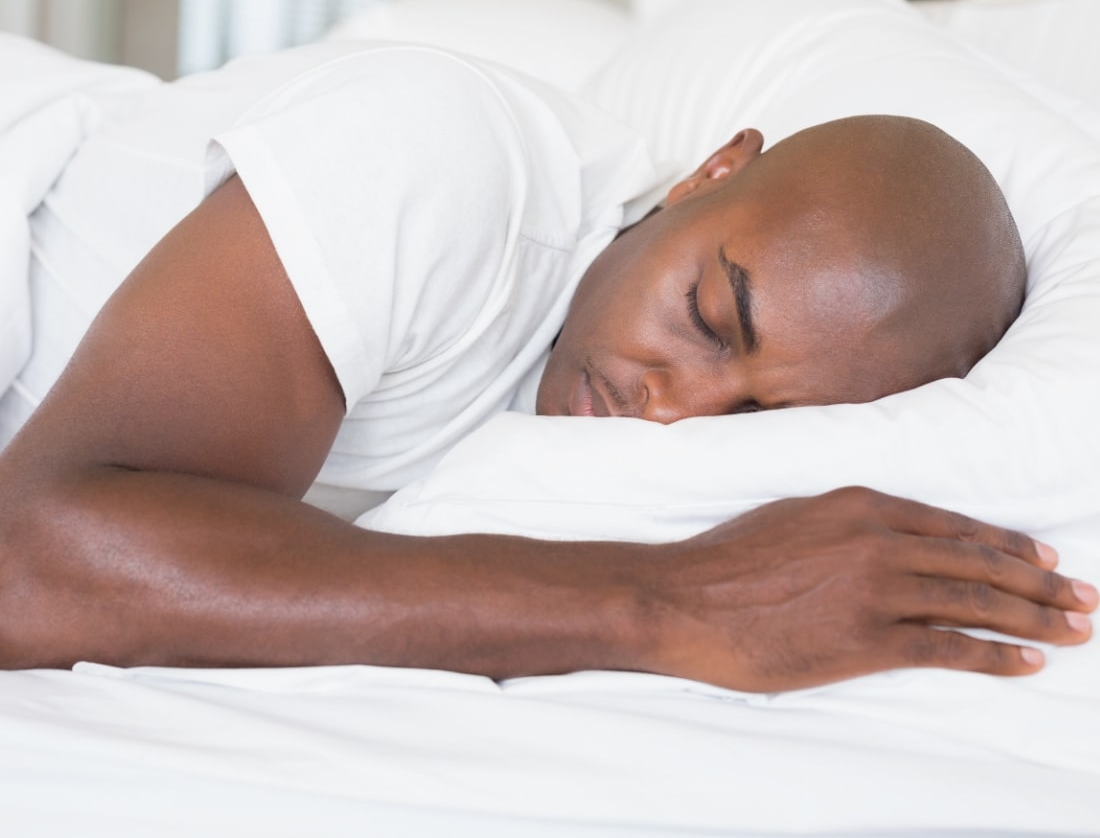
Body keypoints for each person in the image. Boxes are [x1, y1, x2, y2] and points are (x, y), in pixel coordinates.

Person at [0, 43, 1094, 691]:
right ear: (710, 172)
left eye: (754, 420)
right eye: (709, 318)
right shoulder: (435, 156)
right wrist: (663, 603)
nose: (669, 412)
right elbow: (30, 562)